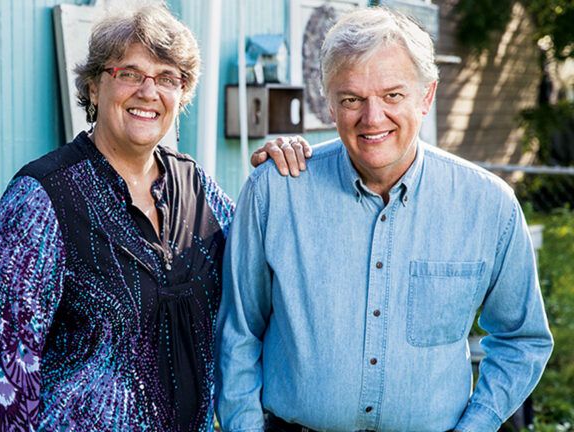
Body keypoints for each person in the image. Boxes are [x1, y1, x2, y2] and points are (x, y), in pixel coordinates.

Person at [0, 4, 309, 432]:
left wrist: (286, 174)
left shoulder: (197, 187)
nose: (149, 91)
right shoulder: (42, 197)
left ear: (181, 96)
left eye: (167, 78)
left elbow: (264, 280)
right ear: (93, 87)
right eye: (129, 73)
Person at [215, 7, 553, 432]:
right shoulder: (275, 192)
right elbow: (237, 336)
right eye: (351, 99)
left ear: (426, 96)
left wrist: (477, 425)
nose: (372, 118)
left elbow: (522, 341)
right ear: (329, 104)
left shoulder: (490, 207)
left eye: (393, 95)